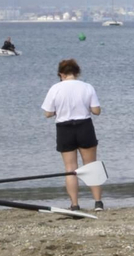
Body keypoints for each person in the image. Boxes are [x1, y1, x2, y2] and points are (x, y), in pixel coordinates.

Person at [41, 58, 102, 209]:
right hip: (84, 126)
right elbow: (96, 111)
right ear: (77, 72)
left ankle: (74, 204)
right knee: (91, 166)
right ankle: (98, 202)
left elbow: (48, 113)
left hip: (64, 128)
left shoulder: (55, 88)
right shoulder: (87, 87)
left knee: (70, 169)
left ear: (61, 74)